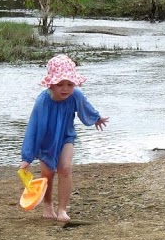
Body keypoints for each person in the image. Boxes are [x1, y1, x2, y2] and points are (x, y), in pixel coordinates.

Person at [21, 54, 109, 223]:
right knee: (48, 173)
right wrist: (27, 157)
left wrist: (96, 118)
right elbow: (33, 128)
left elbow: (86, 107)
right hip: (46, 140)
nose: (65, 89)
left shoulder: (75, 95)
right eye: (60, 84)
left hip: (66, 137)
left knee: (65, 168)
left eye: (70, 84)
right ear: (51, 84)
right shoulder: (43, 102)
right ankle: (48, 204)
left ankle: (62, 209)